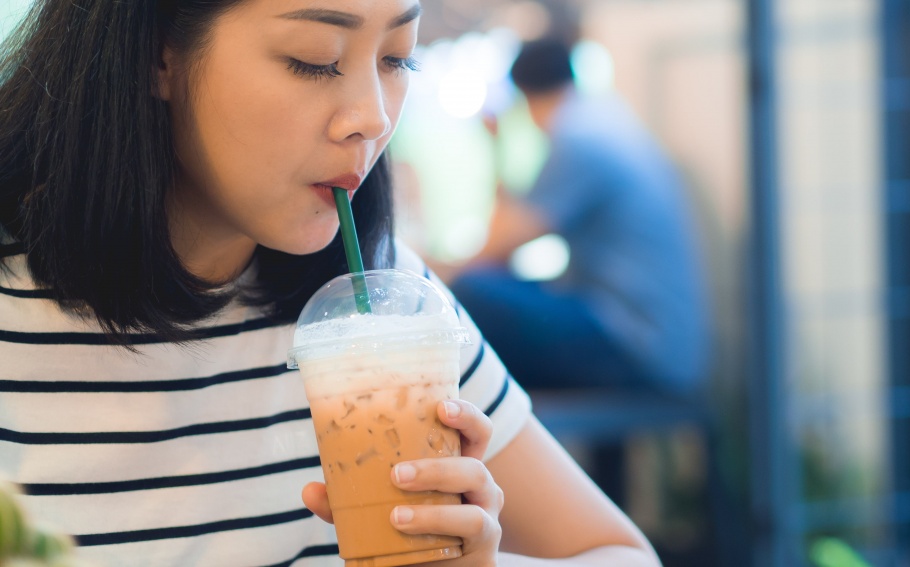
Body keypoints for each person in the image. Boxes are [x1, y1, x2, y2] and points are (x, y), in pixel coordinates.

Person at [0, 2, 661, 566]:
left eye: (398, 58)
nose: (372, 118)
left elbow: (622, 553)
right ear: (158, 53)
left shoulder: (390, 307)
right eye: (315, 59)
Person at [450, 38, 711, 395]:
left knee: (470, 292)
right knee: (504, 293)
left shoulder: (579, 139)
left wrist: (496, 146)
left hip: (637, 343)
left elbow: (495, 251)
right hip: (662, 341)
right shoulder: (605, 120)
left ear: (524, 96)